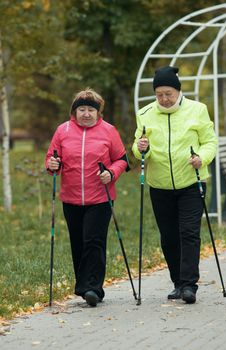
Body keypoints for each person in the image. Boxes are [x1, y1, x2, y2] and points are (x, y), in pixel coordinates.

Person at [132, 66, 217, 304]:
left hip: (191, 181)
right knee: (169, 236)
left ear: (178, 91)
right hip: (159, 185)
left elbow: (210, 142)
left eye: (168, 93)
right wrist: (141, 148)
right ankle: (178, 283)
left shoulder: (197, 110)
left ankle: (190, 284)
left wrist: (202, 157)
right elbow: (138, 148)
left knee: (189, 233)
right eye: (159, 94)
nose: (164, 99)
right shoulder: (145, 113)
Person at [46, 88, 129, 307]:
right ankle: (84, 286)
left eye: (90, 109)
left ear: (98, 112)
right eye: (81, 109)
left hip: (101, 197)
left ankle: (92, 288)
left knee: (94, 241)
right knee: (78, 242)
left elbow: (122, 160)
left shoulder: (109, 131)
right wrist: (53, 165)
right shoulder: (62, 130)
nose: (86, 114)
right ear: (74, 111)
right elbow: (52, 159)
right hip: (71, 198)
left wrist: (111, 173)